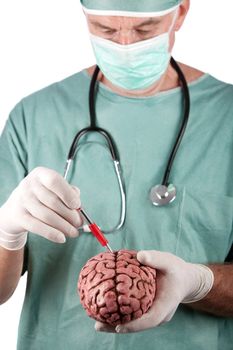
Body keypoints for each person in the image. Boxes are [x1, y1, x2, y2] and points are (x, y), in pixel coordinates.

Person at [0, 0, 232, 349]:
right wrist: (7, 232)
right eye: (106, 30)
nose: (125, 46)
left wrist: (199, 282)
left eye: (144, 30)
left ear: (180, 12)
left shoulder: (226, 118)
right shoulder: (34, 117)